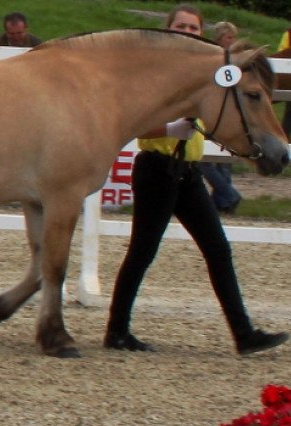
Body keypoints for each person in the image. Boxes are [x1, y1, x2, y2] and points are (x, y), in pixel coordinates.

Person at [103, 4, 288, 356]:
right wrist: (172, 128)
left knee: (217, 248)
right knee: (143, 252)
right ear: (168, 28)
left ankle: (243, 333)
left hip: (187, 171)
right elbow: (132, 121)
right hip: (157, 167)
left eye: (193, 28)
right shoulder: (153, 74)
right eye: (181, 26)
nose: (187, 32)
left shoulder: (207, 76)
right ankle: (116, 330)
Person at [199, 21, 242, 214]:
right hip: (212, 113)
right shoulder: (213, 58)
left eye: (234, 37)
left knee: (223, 159)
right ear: (220, 38)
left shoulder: (231, 59)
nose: (233, 41)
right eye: (229, 37)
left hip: (226, 114)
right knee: (205, 160)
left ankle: (222, 199)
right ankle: (228, 194)